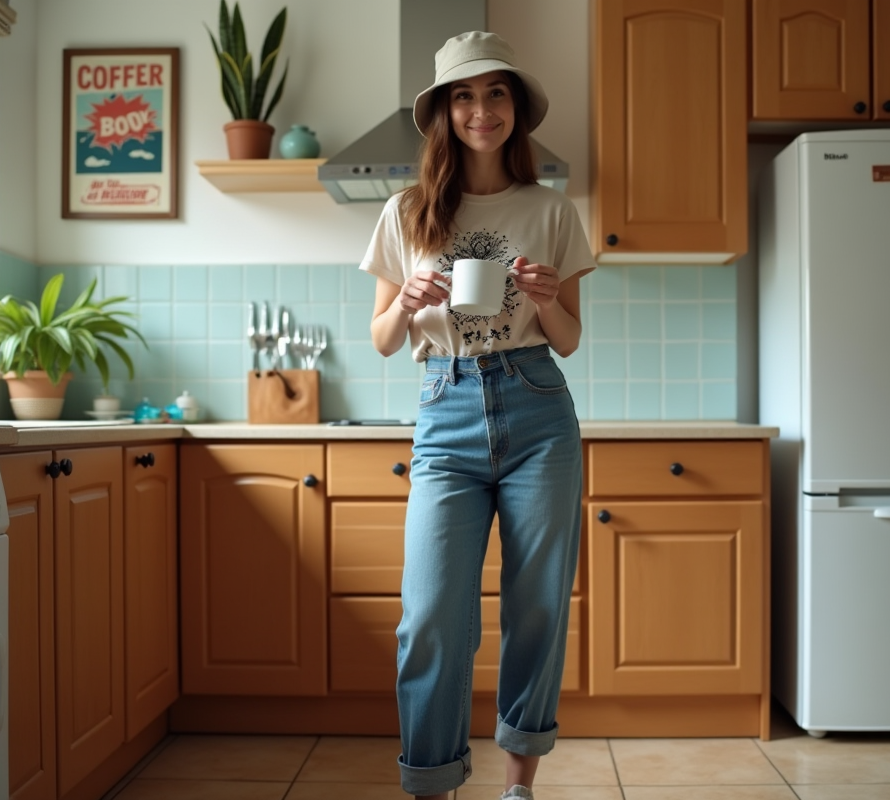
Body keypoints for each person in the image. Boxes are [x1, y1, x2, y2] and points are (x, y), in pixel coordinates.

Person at [359, 30, 596, 800]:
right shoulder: (405, 212)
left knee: (537, 604)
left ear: (515, 108)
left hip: (537, 410)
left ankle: (519, 784)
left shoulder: (552, 210)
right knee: (429, 616)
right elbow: (384, 341)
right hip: (446, 409)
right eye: (464, 95)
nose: (480, 110)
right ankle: (432, 783)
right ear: (443, 112)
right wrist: (405, 299)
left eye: (495, 93)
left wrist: (546, 299)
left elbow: (569, 339)